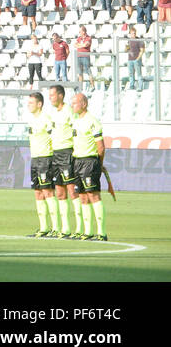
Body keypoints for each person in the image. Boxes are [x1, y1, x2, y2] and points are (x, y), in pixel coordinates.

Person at [70, 92, 107, 241]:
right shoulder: (76, 121)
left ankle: (102, 233)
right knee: (82, 197)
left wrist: (99, 164)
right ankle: (87, 232)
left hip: (89, 162)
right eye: (71, 103)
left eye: (75, 103)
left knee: (93, 195)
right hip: (77, 161)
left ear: (84, 104)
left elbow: (101, 147)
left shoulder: (92, 121)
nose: (72, 105)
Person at [45, 84, 80, 238]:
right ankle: (64, 229)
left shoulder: (69, 111)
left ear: (60, 95)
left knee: (72, 191)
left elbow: (76, 130)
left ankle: (80, 228)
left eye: (52, 95)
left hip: (67, 152)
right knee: (59, 192)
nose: (50, 98)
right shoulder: (53, 113)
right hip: (56, 154)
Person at [25, 91, 55, 237]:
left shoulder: (46, 119)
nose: (28, 105)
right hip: (35, 159)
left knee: (48, 191)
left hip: (45, 158)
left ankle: (56, 228)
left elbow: (54, 137)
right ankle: (44, 228)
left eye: (31, 103)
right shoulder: (31, 119)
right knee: (38, 192)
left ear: (39, 104)